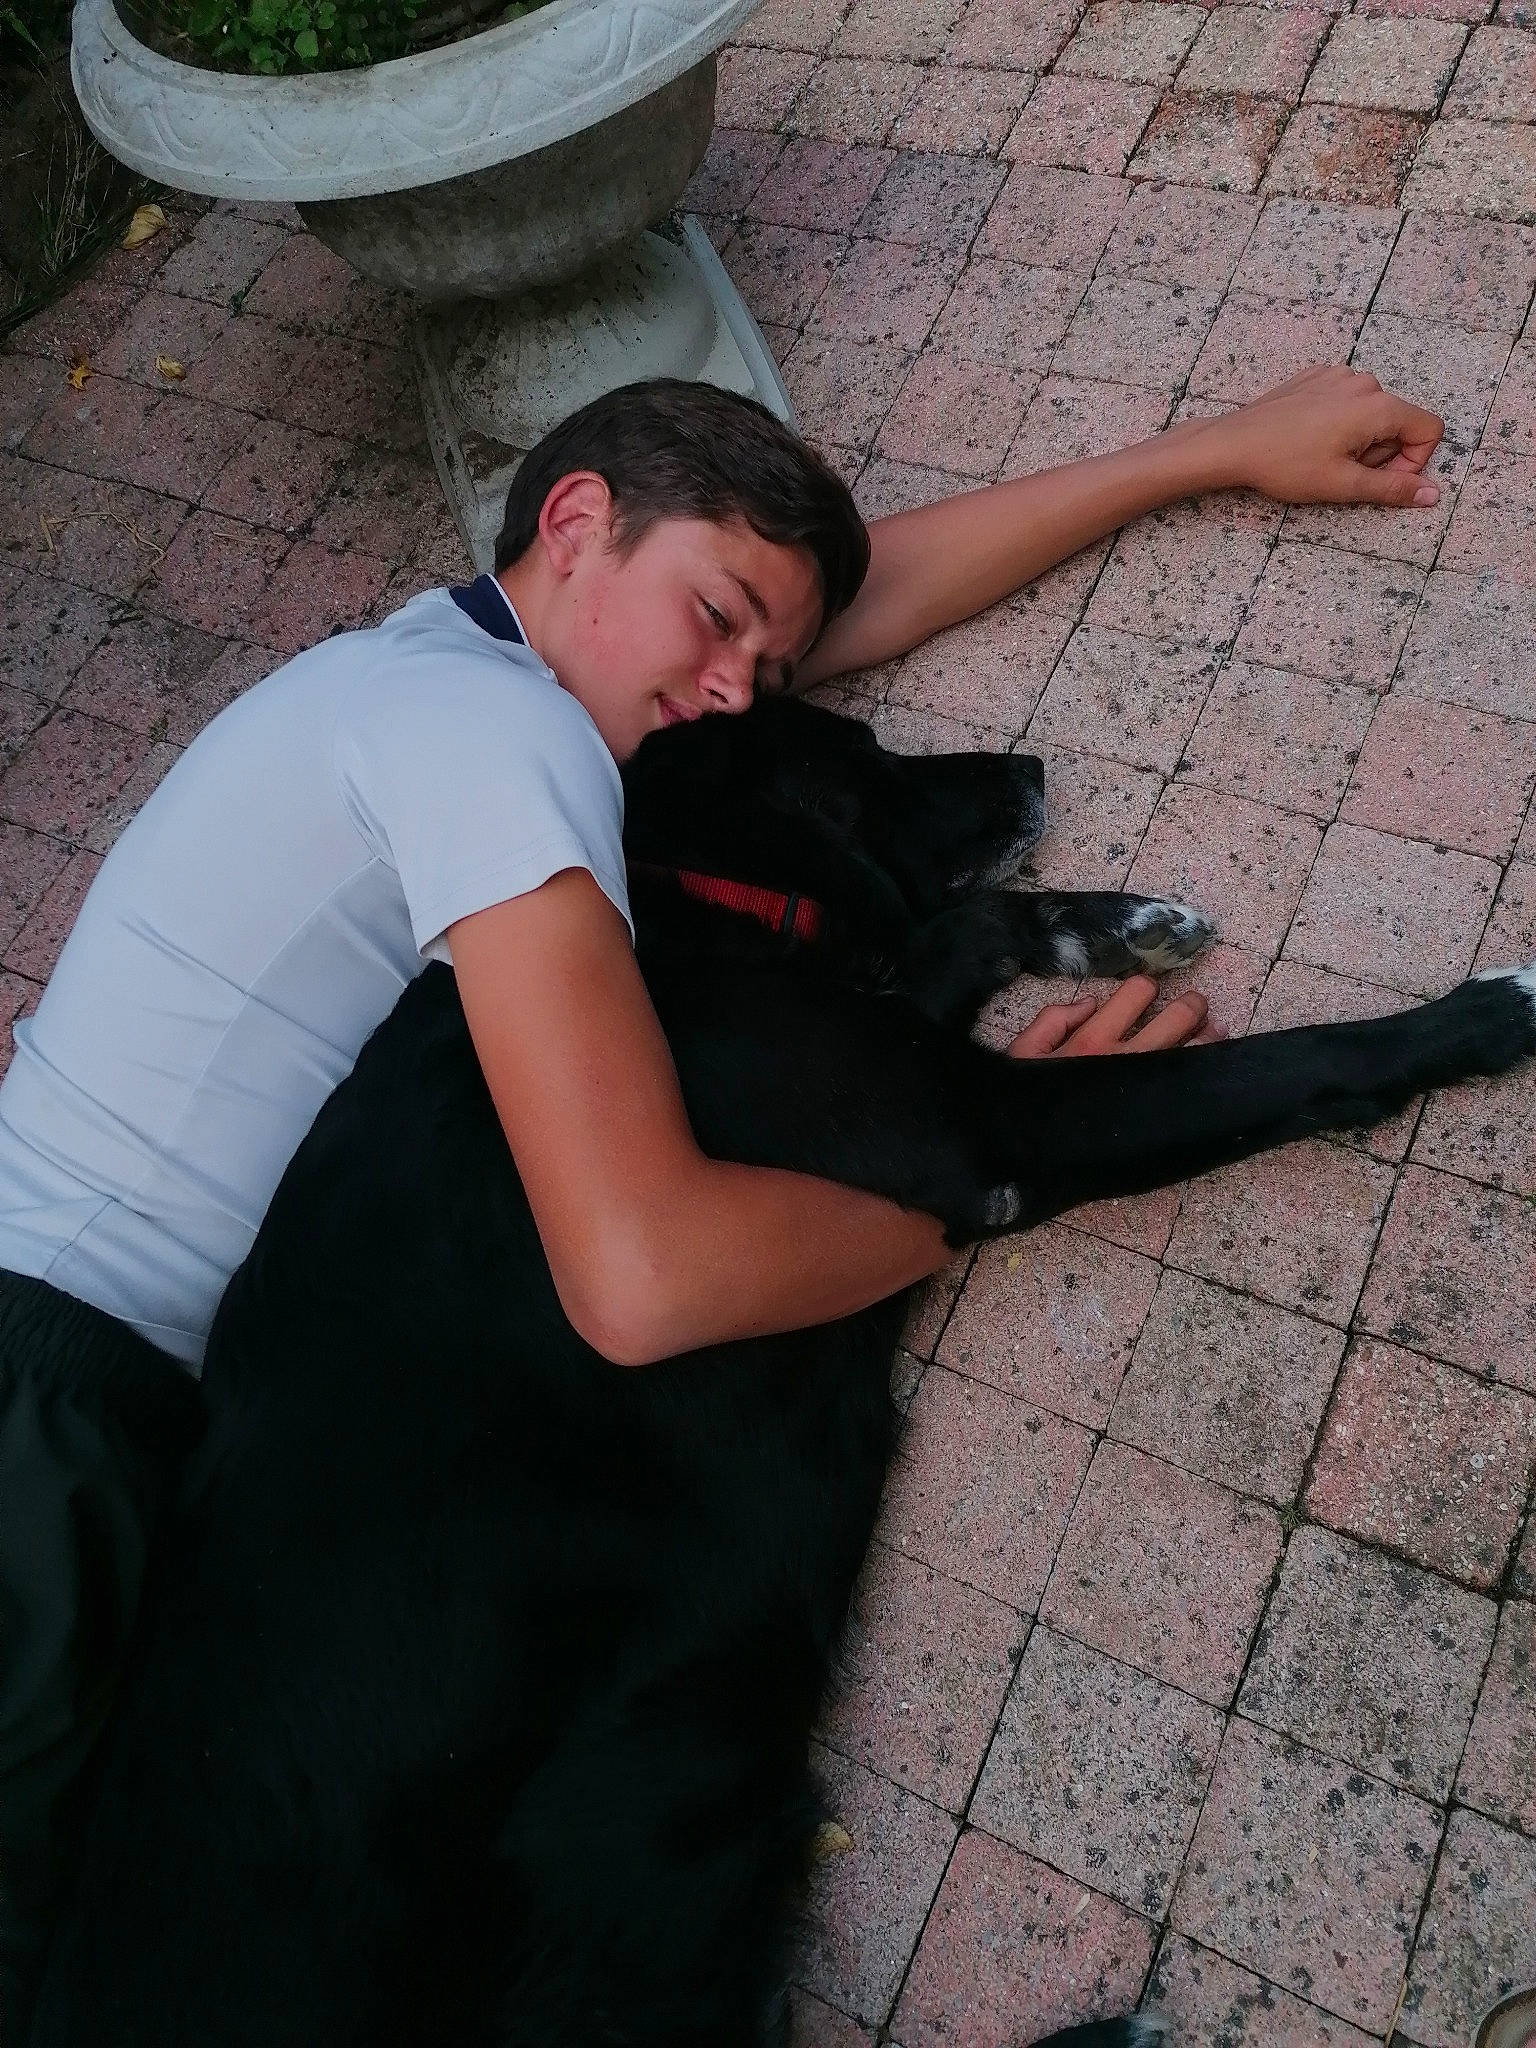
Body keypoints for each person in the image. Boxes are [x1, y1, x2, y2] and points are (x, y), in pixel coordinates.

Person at [0, 361, 1444, 2032]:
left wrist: (1218, 452)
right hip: (47, 1427)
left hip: (114, 1405)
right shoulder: (497, 733)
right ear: (575, 520)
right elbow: (644, 1273)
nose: (736, 685)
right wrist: (973, 1167)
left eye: (763, 657)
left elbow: (854, 591)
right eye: (717, 621)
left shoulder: (451, 674)